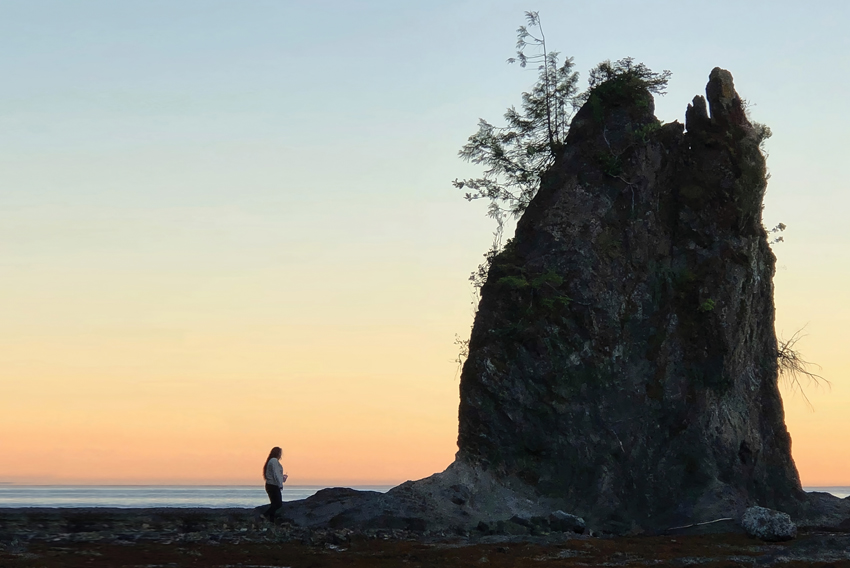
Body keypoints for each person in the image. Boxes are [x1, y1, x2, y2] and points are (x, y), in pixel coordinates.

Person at [262, 446, 288, 521]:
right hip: (273, 485)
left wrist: (282, 478)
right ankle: (264, 515)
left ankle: (271, 520)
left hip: (270, 485)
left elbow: (275, 474)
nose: (281, 455)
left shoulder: (271, 461)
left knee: (274, 504)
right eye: (280, 453)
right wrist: (280, 484)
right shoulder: (274, 461)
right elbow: (276, 474)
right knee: (278, 504)